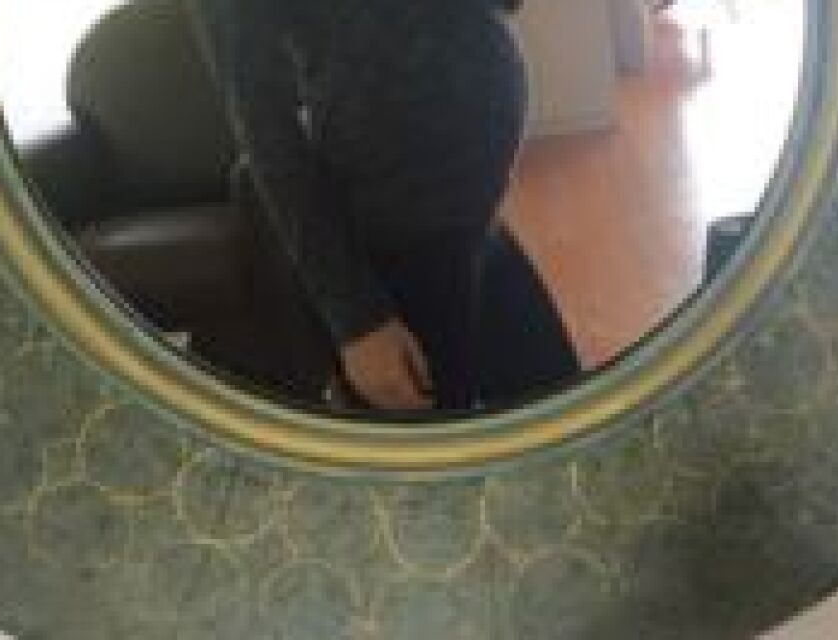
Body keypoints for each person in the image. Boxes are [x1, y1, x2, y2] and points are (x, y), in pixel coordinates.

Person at [190, 0, 580, 413]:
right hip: (396, 242)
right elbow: (262, 127)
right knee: (456, 437)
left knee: (563, 417)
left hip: (475, 219)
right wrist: (356, 321)